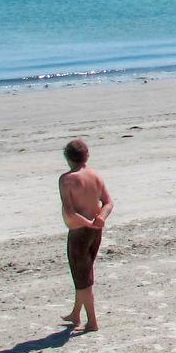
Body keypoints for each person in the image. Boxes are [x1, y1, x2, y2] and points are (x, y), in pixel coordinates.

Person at [58, 139, 112, 333]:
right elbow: (108, 203)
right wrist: (100, 219)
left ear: (67, 158)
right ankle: (75, 313)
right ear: (87, 155)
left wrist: (88, 223)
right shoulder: (95, 175)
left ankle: (92, 322)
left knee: (83, 279)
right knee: (83, 274)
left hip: (80, 232)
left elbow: (70, 211)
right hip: (95, 231)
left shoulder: (67, 179)